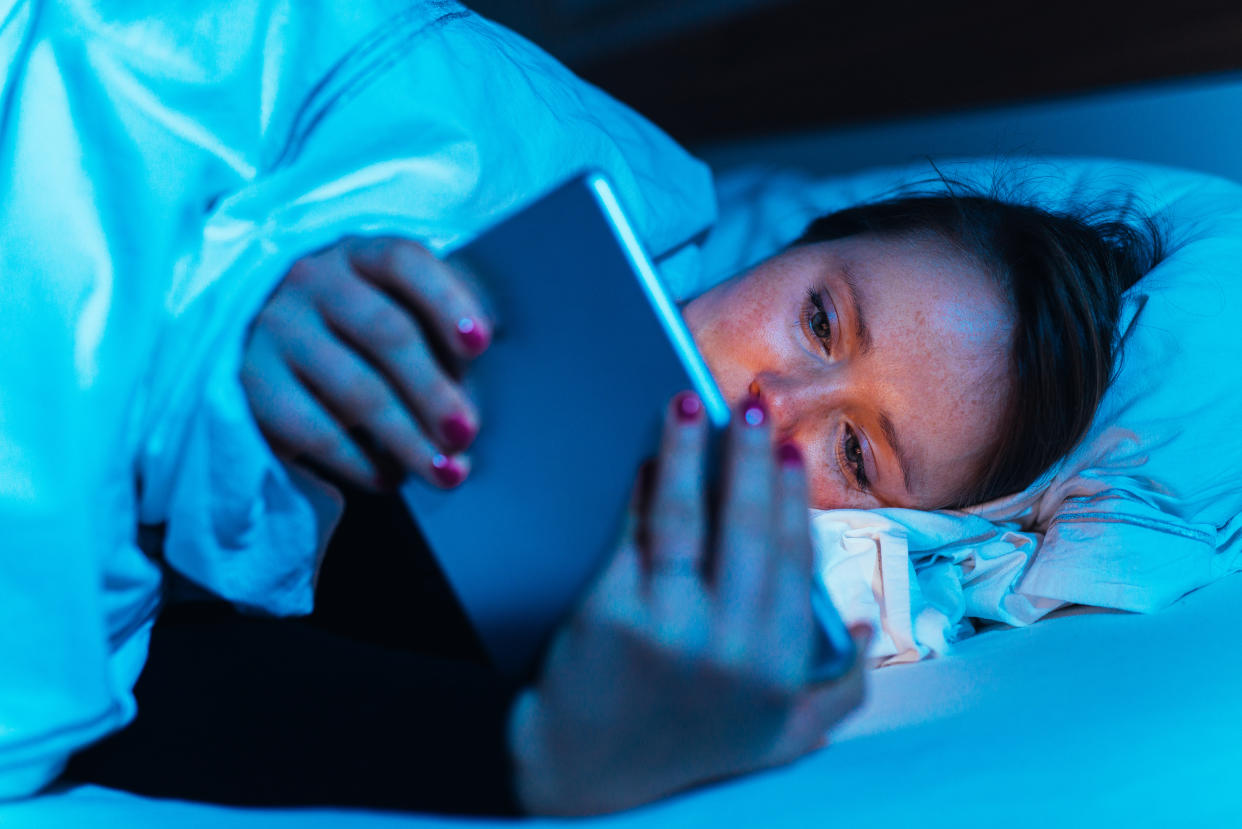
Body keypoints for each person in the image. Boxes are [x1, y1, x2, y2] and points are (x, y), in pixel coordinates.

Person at [64, 187, 1159, 815]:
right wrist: (239, 308)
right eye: (821, 323)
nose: (773, 404)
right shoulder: (498, 228)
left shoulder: (613, 620)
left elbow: (123, 691)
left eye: (859, 453)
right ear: (793, 248)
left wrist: (542, 752)